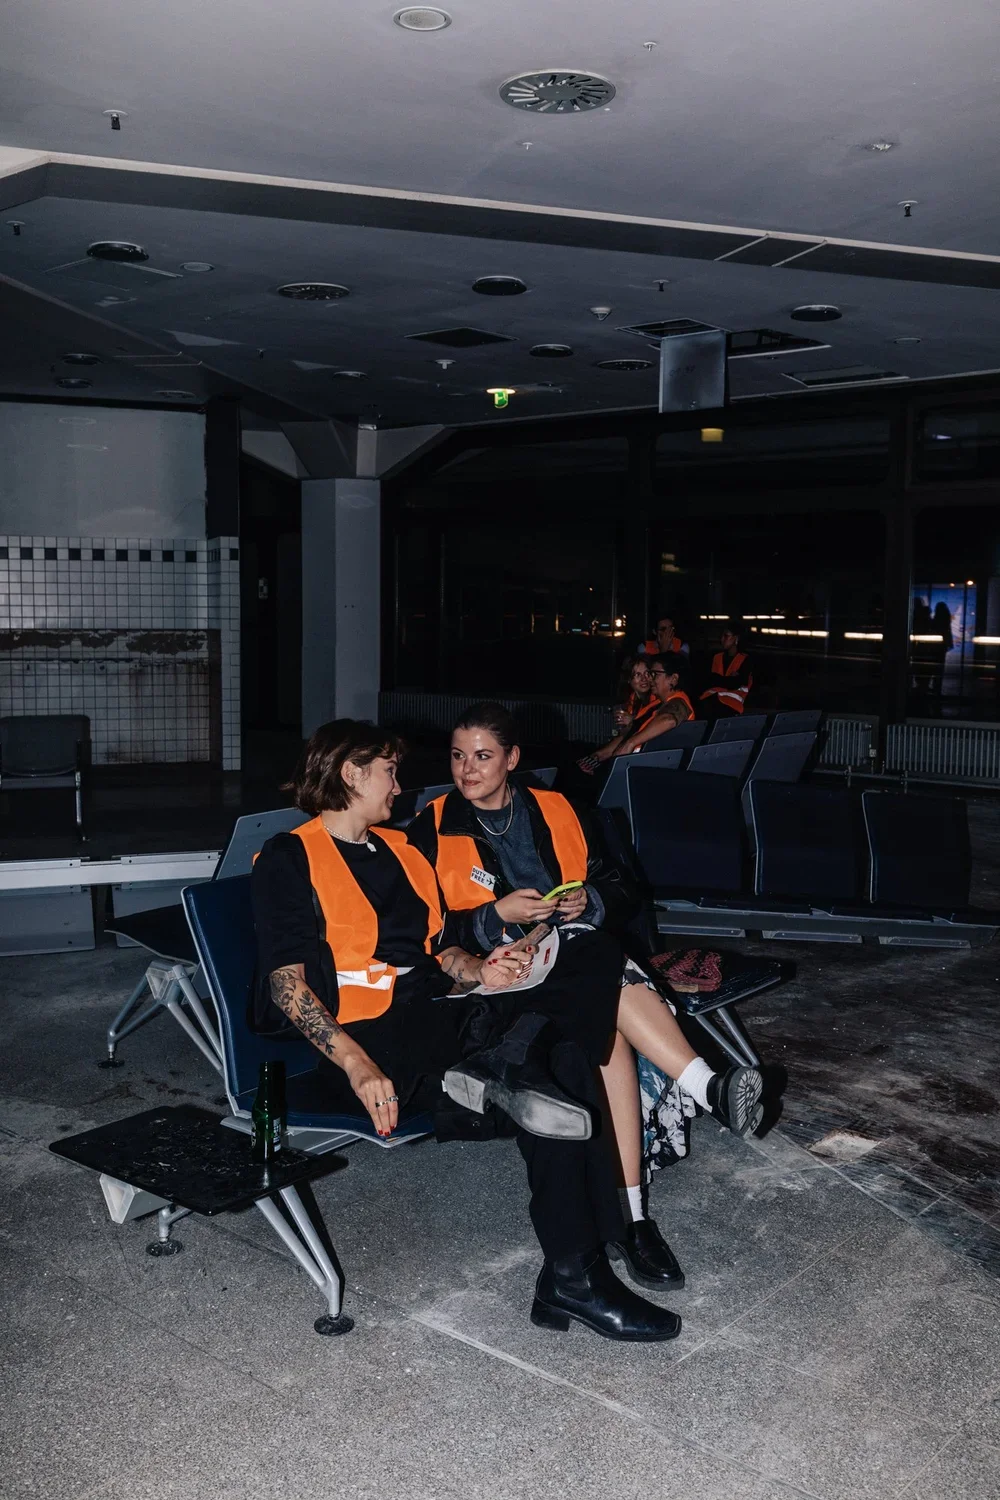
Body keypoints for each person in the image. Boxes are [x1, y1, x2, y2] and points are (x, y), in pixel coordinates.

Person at [250, 718, 683, 1342]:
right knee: (560, 1071)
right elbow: (285, 985)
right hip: (368, 1038)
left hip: (439, 1011)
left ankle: (571, 1266)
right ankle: (575, 1275)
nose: (398, 786)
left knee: (583, 964)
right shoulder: (289, 858)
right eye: (388, 772)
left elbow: (440, 950)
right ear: (351, 774)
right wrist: (356, 1064)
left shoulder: (400, 851)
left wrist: (482, 968)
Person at [408, 701, 769, 1295]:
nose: (467, 770)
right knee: (598, 964)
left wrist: (588, 901)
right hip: (496, 982)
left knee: (605, 1019)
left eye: (482, 756)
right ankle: (703, 1092)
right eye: (457, 756)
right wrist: (494, 916)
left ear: (512, 759)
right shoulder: (430, 829)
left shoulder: (557, 809)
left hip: (571, 963)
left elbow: (618, 885)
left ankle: (633, 1217)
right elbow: (425, 936)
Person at [577, 654, 659, 775]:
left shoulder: (656, 698)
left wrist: (633, 721)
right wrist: (598, 756)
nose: (644, 679)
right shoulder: (632, 700)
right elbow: (625, 735)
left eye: (647, 673)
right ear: (629, 679)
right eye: (637, 675)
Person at [611, 655, 695, 755]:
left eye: (654, 674)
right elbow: (627, 734)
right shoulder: (656, 704)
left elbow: (668, 720)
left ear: (673, 679)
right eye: (650, 674)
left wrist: (630, 744)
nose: (649, 679)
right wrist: (598, 756)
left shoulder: (679, 702)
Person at [699, 620, 754, 720]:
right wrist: (728, 680)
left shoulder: (745, 660)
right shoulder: (716, 657)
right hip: (712, 701)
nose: (722, 639)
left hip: (732, 705)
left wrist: (717, 679)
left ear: (736, 638)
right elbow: (706, 680)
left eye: (726, 636)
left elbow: (736, 682)